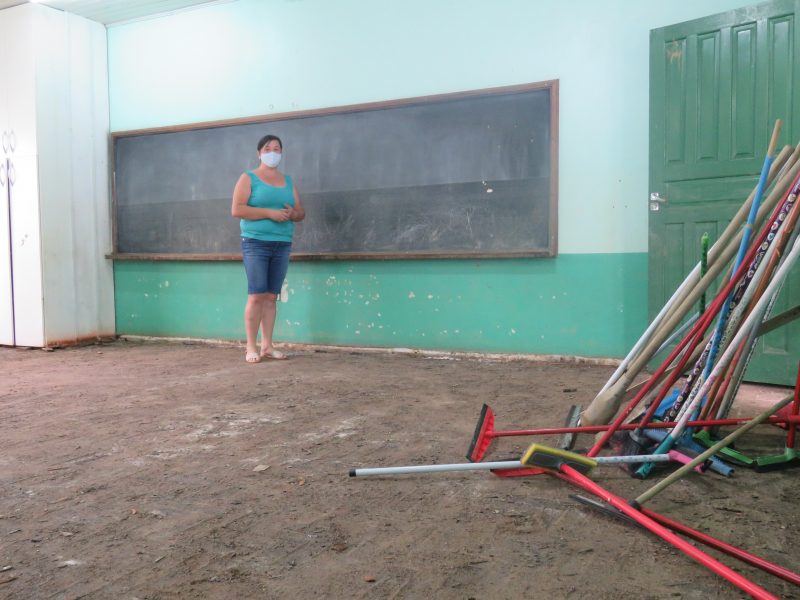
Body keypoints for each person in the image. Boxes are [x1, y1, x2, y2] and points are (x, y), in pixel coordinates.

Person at [231, 134, 305, 363]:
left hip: (282, 244)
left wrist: (293, 214)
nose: (273, 152)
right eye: (268, 148)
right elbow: (237, 210)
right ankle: (251, 348)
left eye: (277, 148)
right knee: (256, 295)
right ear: (259, 153)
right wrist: (269, 213)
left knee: (271, 297)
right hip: (255, 243)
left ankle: (267, 346)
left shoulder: (288, 181)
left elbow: (300, 213)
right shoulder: (248, 178)